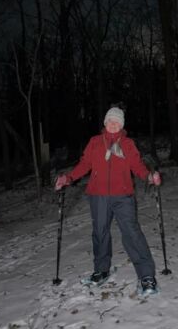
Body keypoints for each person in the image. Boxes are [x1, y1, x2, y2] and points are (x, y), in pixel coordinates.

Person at [54, 106, 162, 294]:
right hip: (98, 196)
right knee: (100, 233)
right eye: (110, 121)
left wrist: (149, 176)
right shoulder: (95, 142)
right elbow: (85, 164)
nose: (113, 124)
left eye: (117, 122)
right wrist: (68, 178)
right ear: (105, 123)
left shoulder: (127, 144)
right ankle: (101, 271)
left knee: (131, 233)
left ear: (121, 125)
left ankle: (146, 276)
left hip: (123, 196)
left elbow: (137, 165)